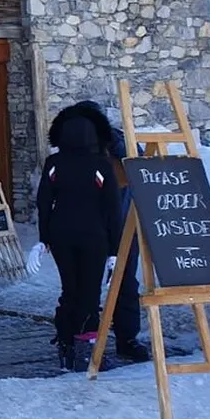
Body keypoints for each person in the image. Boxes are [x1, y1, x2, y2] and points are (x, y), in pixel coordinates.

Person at [37, 108, 124, 370]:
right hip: (93, 236)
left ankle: (66, 343)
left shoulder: (54, 164)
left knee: (70, 290)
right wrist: (114, 248)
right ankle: (86, 348)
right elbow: (112, 209)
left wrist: (43, 238)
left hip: (61, 235)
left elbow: (43, 203)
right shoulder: (101, 165)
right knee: (88, 292)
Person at [67, 101, 150, 363]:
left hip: (122, 226)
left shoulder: (119, 142)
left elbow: (136, 162)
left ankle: (127, 339)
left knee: (126, 283)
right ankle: (85, 344)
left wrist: (110, 140)